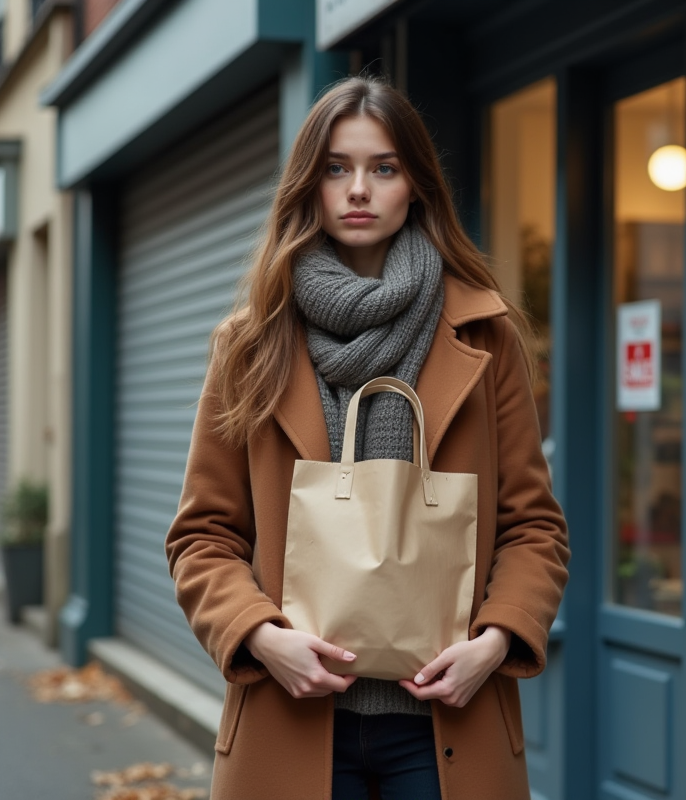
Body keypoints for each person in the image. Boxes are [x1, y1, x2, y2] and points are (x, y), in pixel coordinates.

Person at [165, 75, 570, 800]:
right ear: (309, 186)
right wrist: (261, 637)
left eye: (383, 168)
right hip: (291, 719)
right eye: (336, 168)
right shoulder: (250, 343)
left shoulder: (485, 334)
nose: (359, 189)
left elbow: (533, 527)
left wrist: (496, 642)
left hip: (447, 722)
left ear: (415, 185)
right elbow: (203, 536)